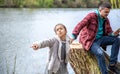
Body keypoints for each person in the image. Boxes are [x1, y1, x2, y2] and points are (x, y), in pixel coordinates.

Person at [71, 2, 120, 74]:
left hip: (100, 39)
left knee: (117, 40)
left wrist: (113, 34)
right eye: (106, 12)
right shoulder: (91, 16)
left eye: (108, 12)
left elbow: (109, 32)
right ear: (100, 10)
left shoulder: (106, 19)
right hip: (90, 41)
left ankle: (112, 65)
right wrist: (74, 35)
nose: (107, 14)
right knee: (100, 54)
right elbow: (80, 24)